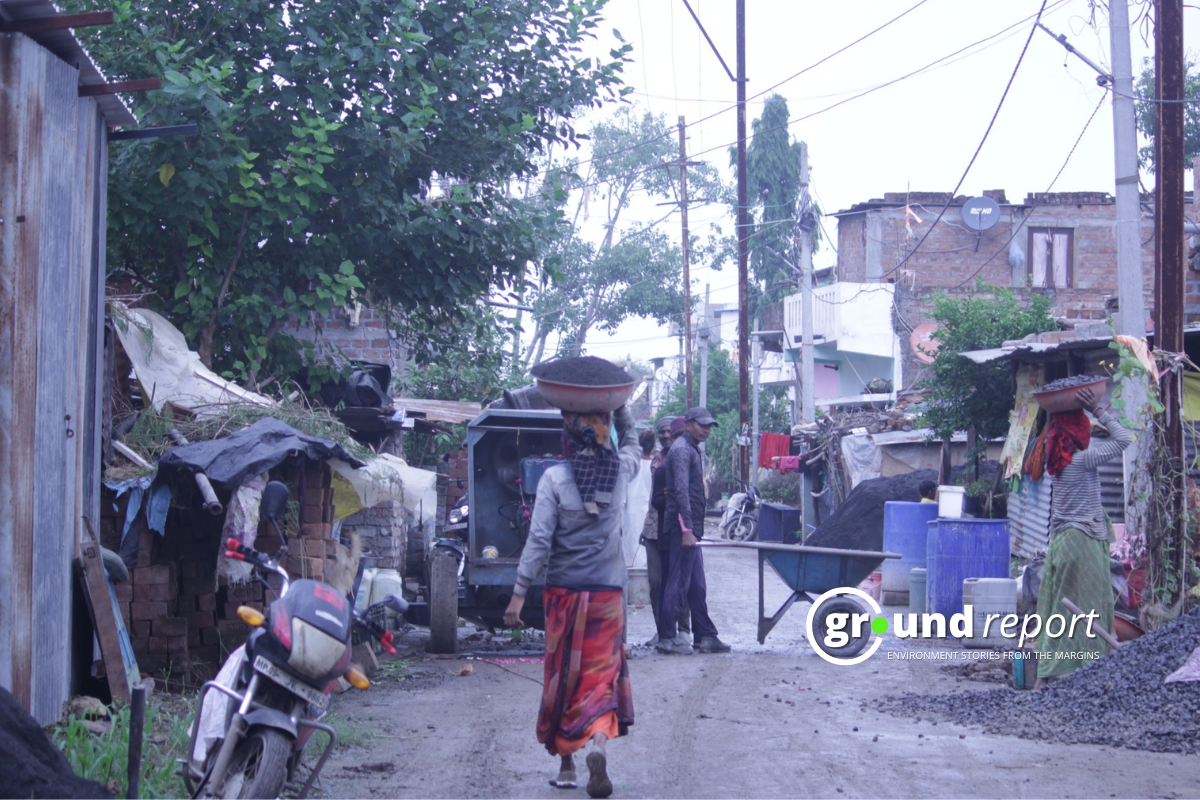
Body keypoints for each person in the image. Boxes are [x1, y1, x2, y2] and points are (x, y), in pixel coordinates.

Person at [504, 404, 639, 798]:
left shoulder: (554, 478)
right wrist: (621, 410)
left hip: (563, 596)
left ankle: (566, 767)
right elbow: (631, 442)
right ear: (604, 434)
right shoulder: (621, 471)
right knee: (601, 675)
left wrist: (517, 594)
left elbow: (539, 540)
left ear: (567, 438)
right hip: (607, 596)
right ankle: (597, 743)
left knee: (564, 675)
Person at [1034, 385, 1132, 689]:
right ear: (1079, 434)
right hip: (1083, 543)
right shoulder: (1084, 460)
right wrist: (1098, 408)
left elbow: (1099, 439)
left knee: (1058, 611)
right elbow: (1125, 439)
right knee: (1092, 609)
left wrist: (1092, 426)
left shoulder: (1059, 462)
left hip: (1062, 544)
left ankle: (1043, 678)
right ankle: (1093, 674)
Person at [656, 406, 730, 655]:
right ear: (688, 425)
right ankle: (667, 638)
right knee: (678, 583)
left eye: (709, 426)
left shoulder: (692, 449)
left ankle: (706, 636)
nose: (707, 430)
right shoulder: (681, 450)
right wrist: (686, 529)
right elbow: (680, 492)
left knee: (697, 584)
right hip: (682, 528)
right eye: (702, 425)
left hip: (692, 528)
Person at [641, 417, 690, 647]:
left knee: (678, 581)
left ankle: (683, 630)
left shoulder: (686, 455)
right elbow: (654, 497)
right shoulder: (657, 460)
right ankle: (662, 631)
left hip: (677, 528)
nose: (665, 435)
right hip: (653, 528)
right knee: (656, 581)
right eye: (662, 431)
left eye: (670, 431)